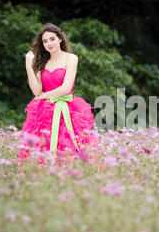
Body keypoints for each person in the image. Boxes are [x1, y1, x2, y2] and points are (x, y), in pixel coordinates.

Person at [17, 23, 99, 167]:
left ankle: (71, 173)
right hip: (45, 110)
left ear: (60, 38)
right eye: (45, 41)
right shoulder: (42, 62)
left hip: (68, 108)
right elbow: (36, 91)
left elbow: (66, 88)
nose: (49, 43)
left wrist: (42, 96)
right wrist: (29, 65)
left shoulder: (71, 58)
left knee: (68, 143)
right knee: (43, 143)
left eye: (52, 39)